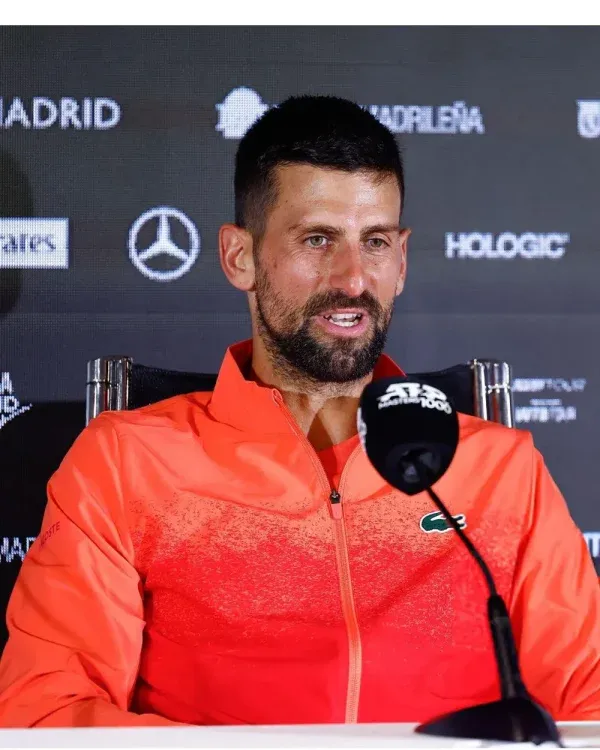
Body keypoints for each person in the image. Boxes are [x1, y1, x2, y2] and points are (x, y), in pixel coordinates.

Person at [0, 95, 599, 729]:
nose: (352, 279)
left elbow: (589, 702)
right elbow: (46, 713)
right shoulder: (126, 466)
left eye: (375, 242)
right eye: (318, 239)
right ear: (240, 257)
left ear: (401, 261)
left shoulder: (502, 471)